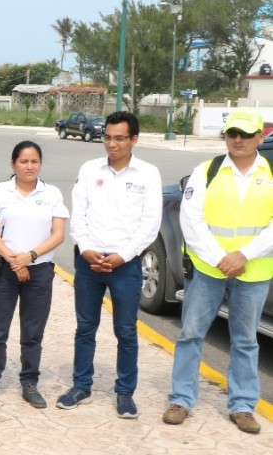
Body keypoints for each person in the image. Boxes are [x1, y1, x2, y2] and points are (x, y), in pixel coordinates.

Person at [163, 110, 273, 434]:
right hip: (208, 269)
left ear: (260, 137)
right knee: (191, 335)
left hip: (253, 271)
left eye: (245, 134)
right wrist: (220, 258)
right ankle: (181, 399)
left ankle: (242, 406)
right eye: (232, 133)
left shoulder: (270, 173)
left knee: (246, 340)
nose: (237, 139)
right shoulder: (206, 171)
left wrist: (244, 255)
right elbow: (191, 219)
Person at [57, 110, 161, 418]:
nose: (112, 144)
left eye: (119, 138)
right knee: (85, 327)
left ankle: (125, 393)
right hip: (89, 262)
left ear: (134, 139)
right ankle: (81, 386)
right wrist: (87, 249)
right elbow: (79, 214)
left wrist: (123, 256)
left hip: (125, 265)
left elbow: (150, 223)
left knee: (126, 331)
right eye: (107, 137)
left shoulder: (148, 174)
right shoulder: (90, 170)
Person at [0, 141, 69, 409]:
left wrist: (30, 257)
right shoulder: (0, 191)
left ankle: (29, 382)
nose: (29, 166)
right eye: (23, 161)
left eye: (34, 161)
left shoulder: (51, 193)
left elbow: (58, 234)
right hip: (3, 270)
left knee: (33, 333)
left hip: (39, 271)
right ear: (13, 164)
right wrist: (13, 260)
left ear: (40, 164)